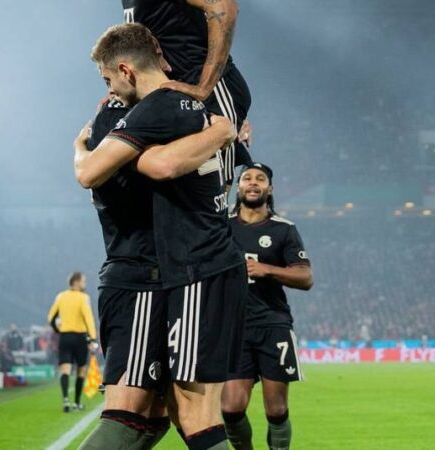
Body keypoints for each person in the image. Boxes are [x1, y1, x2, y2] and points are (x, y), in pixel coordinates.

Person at [74, 23, 247, 450]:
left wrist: (80, 148)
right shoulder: (205, 105)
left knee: (184, 415)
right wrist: (221, 131)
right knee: (153, 414)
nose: (109, 90)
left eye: (109, 79)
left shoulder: (137, 112)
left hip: (185, 270)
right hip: (172, 270)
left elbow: (125, 169)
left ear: (126, 70)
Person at [222, 162, 314, 450]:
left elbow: (305, 276)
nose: (253, 183)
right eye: (247, 178)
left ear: (269, 189)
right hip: (233, 327)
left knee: (275, 410)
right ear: (238, 187)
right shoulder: (221, 225)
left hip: (272, 324)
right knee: (231, 408)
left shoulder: (283, 229)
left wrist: (268, 270)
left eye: (260, 179)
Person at [122, 0, 253, 185]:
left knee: (210, 199)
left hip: (208, 95)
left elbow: (223, 6)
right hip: (175, 98)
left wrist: (204, 86)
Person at [48, 272, 98, 412]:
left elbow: (51, 317)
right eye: (83, 281)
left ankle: (65, 400)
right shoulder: (83, 298)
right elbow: (88, 317)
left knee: (65, 369)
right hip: (79, 337)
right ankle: (76, 403)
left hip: (65, 336)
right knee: (81, 370)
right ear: (76, 282)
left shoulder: (61, 296)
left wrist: (57, 330)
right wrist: (92, 337)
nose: (85, 284)